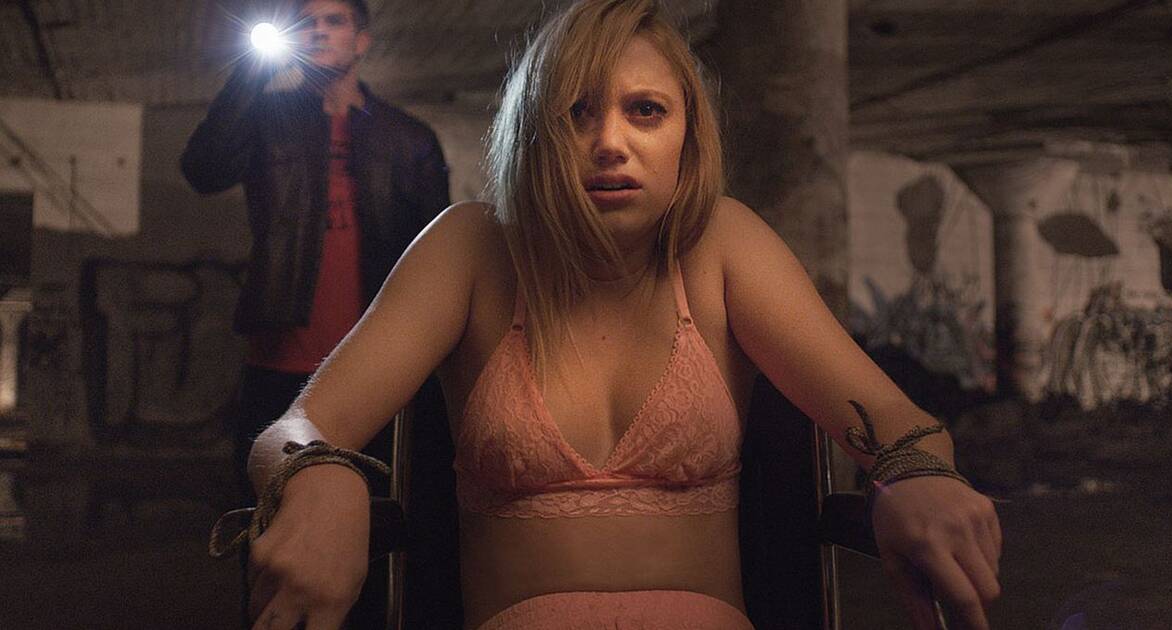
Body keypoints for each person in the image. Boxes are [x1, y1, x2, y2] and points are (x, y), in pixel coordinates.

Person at [241, 1, 1002, 629]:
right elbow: (296, 429)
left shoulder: (723, 244)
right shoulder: (468, 247)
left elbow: (901, 425)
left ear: (687, 135)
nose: (610, 142)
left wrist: (914, 475)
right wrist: (319, 474)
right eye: (576, 113)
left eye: (645, 111)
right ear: (534, 133)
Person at [179, 0, 450, 503]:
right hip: (279, 358)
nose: (318, 31)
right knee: (267, 512)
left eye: (334, 21)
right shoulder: (266, 120)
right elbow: (203, 170)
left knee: (375, 515)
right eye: (306, 22)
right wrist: (251, 74)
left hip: (376, 364)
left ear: (361, 40)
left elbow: (440, 257)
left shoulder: (407, 137)